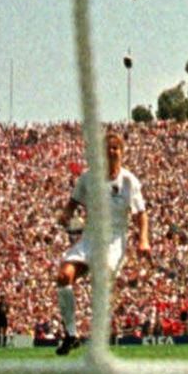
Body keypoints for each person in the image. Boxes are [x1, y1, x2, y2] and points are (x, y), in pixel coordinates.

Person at [53, 129, 150, 356]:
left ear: (122, 153)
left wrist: (143, 239)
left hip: (114, 241)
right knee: (63, 276)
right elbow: (72, 202)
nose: (112, 152)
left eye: (116, 148)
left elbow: (141, 214)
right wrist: (66, 215)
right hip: (90, 238)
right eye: (108, 148)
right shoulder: (88, 178)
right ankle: (71, 335)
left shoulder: (128, 181)